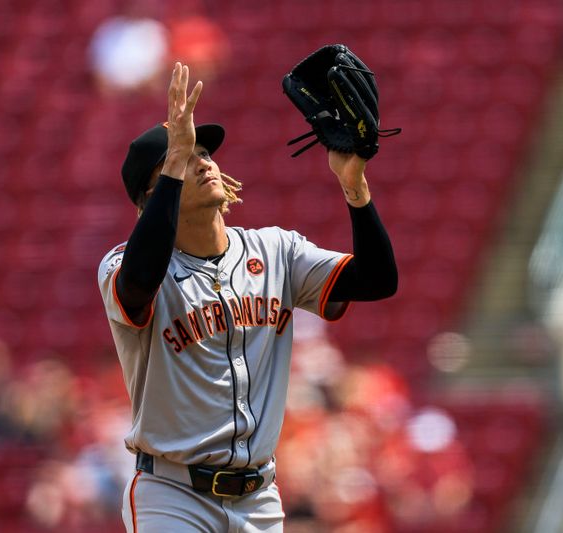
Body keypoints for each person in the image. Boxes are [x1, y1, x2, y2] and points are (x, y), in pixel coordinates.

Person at [98, 62, 397, 532]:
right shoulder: (122, 266)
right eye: (180, 158)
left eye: (203, 152)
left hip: (258, 496)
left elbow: (377, 280)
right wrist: (175, 163)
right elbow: (137, 282)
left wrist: (353, 184)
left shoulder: (274, 250)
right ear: (154, 194)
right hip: (172, 495)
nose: (201, 161)